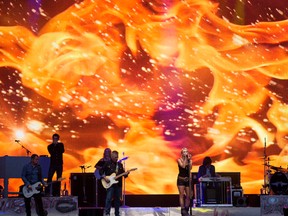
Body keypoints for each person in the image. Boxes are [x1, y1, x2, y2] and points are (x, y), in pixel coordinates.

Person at [100, 150, 130, 216]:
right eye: (115, 157)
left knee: (117, 200)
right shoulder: (107, 163)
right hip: (110, 185)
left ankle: (117, 213)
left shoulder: (120, 165)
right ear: (112, 157)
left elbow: (124, 175)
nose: (117, 159)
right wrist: (105, 178)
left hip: (118, 185)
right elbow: (101, 171)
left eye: (117, 157)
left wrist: (127, 173)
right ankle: (107, 213)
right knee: (108, 199)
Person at [177, 147, 192, 216]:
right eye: (184, 152)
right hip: (181, 179)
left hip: (187, 180)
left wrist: (189, 160)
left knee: (188, 196)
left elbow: (190, 168)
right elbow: (183, 166)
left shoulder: (190, 160)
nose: (185, 153)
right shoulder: (179, 160)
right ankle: (182, 209)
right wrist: (186, 159)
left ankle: (186, 210)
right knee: (181, 195)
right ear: (182, 153)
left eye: (186, 151)